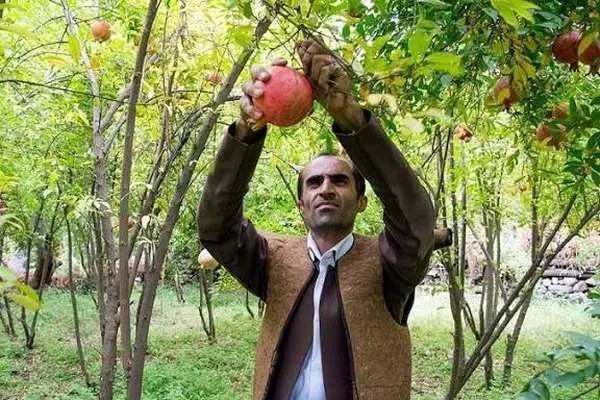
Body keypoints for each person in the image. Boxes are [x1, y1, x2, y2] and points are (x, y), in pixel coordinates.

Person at [197, 39, 436, 400]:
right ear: (301, 205)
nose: (326, 188)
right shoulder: (273, 261)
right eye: (314, 182)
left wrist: (350, 117)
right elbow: (216, 229)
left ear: (361, 203)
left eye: (340, 181)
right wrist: (246, 132)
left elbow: (415, 220)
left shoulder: (390, 263)